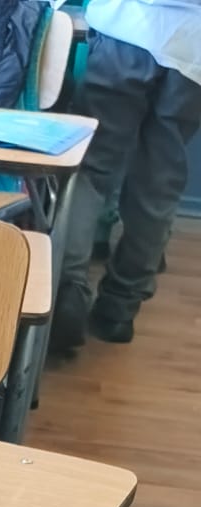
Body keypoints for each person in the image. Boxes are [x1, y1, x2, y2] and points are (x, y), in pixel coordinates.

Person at [52, 0, 201, 351]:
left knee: (91, 169)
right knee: (158, 186)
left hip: (126, 30)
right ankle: (120, 309)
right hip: (193, 52)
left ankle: (69, 292)